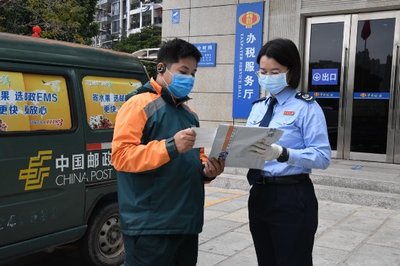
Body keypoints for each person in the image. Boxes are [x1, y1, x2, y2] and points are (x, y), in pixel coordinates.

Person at [111, 38, 225, 266]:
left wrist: (207, 171)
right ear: (161, 68)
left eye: (193, 73)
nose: (189, 78)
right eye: (183, 71)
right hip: (150, 225)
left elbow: (196, 157)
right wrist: (170, 147)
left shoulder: (189, 113)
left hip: (186, 223)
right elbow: (121, 156)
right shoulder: (138, 104)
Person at [246, 38, 331, 266]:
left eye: (275, 71)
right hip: (259, 194)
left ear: (290, 71)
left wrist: (283, 153)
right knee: (266, 260)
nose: (267, 77)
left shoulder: (306, 108)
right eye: (263, 71)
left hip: (292, 196)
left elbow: (322, 157)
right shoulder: (258, 107)